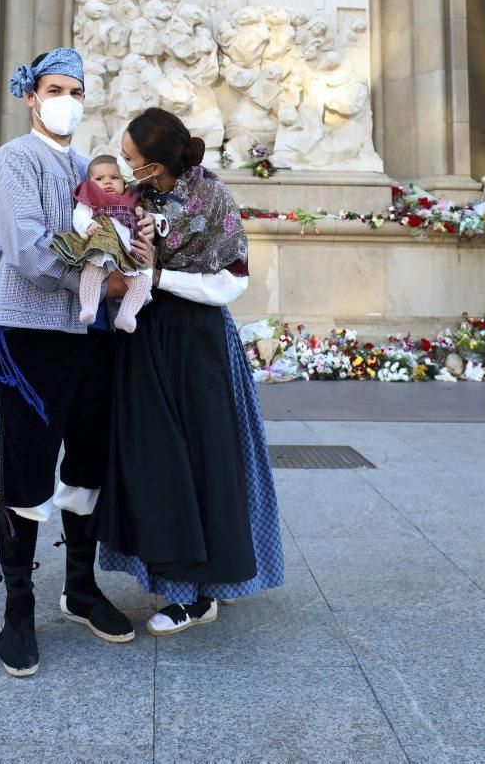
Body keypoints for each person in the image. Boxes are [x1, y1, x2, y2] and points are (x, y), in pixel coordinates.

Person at [0, 47, 155, 677]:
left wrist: (138, 252)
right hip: (31, 335)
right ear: (31, 95)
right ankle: (18, 608)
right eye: (56, 89)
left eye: (77, 91)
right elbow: (25, 249)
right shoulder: (11, 162)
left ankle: (79, 587)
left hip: (94, 336)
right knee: (26, 467)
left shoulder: (90, 167)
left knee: (88, 464)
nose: (67, 101)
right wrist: (97, 283)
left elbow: (121, 232)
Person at [94, 107, 284, 635]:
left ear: (155, 162)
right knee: (155, 460)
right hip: (145, 338)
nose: (125, 166)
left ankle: (200, 593)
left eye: (131, 159)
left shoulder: (211, 197)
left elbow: (231, 281)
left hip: (198, 343)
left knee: (203, 459)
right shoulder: (136, 200)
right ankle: (172, 579)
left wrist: (159, 277)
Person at [51, 153, 153, 333]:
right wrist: (87, 224)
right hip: (103, 246)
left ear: (124, 181)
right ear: (90, 182)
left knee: (143, 280)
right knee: (93, 269)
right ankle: (89, 306)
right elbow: (80, 214)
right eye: (100, 178)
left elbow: (146, 216)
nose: (107, 182)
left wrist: (147, 216)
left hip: (128, 251)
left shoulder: (132, 199)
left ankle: (127, 314)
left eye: (114, 178)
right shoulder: (91, 198)